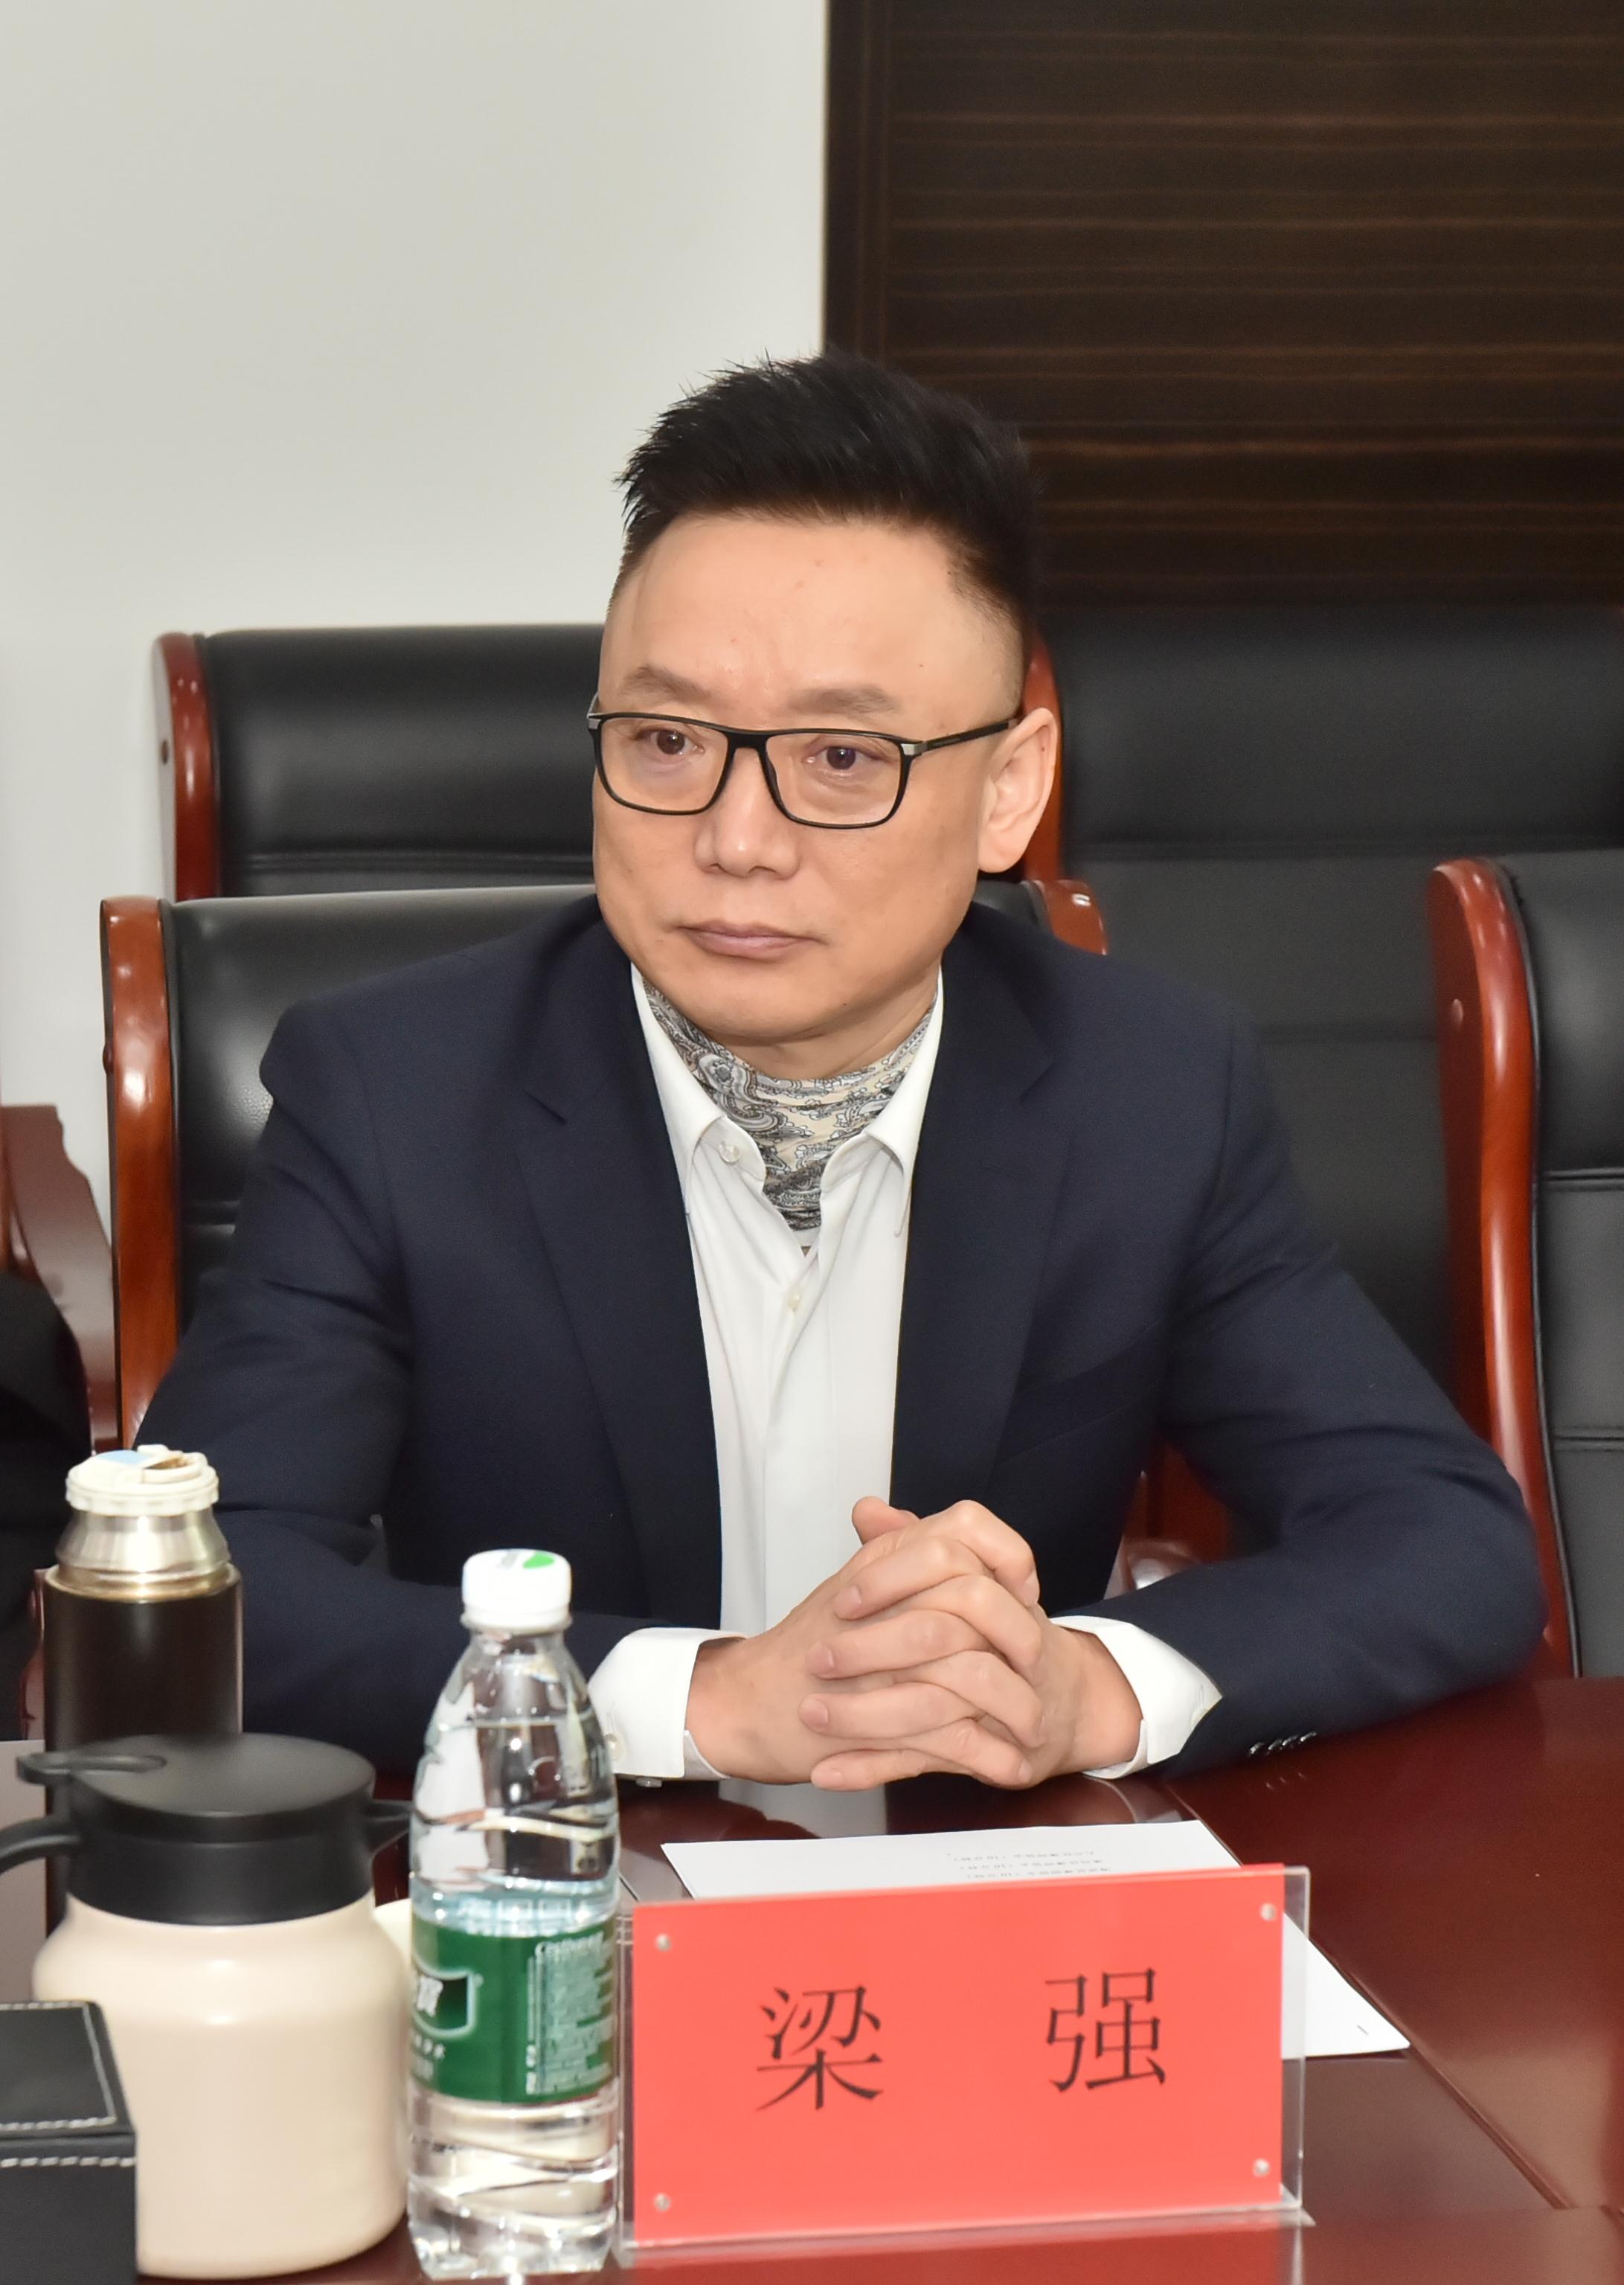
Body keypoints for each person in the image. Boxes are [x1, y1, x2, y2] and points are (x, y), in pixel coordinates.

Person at [144, 354, 1544, 1788]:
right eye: (668, 741)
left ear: (1008, 790)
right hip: (568, 1879)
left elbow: (1442, 1538)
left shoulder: (1152, 1092)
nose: (737, 840)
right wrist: (696, 1699)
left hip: (976, 1879)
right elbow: (199, 1589)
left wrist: (1089, 1687)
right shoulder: (397, 1094)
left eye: (841, 759)